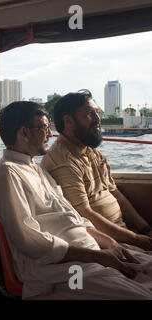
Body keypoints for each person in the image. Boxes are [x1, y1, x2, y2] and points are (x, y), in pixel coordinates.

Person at [0, 101, 152, 299]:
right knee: (141, 297)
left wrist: (111, 244)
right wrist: (98, 257)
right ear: (24, 132)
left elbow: (73, 216)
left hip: (88, 253)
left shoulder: (36, 169)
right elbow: (30, 241)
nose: (50, 134)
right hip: (61, 272)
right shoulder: (7, 174)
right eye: (44, 128)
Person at [41, 90, 152, 251]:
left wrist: (145, 230)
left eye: (97, 113)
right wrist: (136, 239)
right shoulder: (63, 161)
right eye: (89, 114)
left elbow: (115, 194)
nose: (97, 119)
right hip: (105, 243)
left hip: (124, 233)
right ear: (68, 121)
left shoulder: (92, 153)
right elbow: (85, 214)